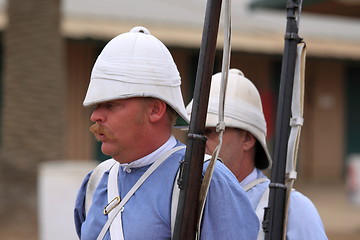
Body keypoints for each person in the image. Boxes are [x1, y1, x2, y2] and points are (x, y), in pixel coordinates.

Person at [74, 27, 259, 240]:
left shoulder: (207, 180)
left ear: (155, 110)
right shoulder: (98, 180)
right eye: (96, 105)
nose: (96, 116)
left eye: (111, 105)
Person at [186, 68, 328, 239]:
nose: (199, 142)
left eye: (210, 132)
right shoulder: (183, 198)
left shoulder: (292, 208)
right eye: (195, 133)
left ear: (247, 139)